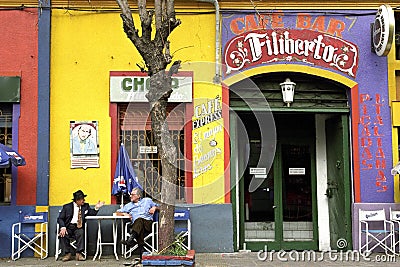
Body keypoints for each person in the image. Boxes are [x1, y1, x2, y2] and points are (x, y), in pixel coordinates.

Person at [57, 190, 105, 262]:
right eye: (82, 199)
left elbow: (91, 213)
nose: (84, 200)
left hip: (78, 227)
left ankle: (79, 254)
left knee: (81, 232)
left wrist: (96, 208)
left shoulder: (85, 206)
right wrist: (63, 227)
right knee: (63, 234)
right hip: (68, 226)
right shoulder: (67, 207)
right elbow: (60, 218)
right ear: (77, 200)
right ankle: (67, 254)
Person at [116, 187, 159, 259]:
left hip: (147, 224)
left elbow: (160, 207)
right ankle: (141, 253)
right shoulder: (128, 205)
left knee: (139, 220)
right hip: (136, 226)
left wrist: (154, 208)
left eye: (133, 194)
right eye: (130, 194)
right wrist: (124, 214)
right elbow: (117, 213)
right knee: (139, 225)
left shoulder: (147, 201)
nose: (130, 196)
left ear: (139, 196)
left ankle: (130, 240)